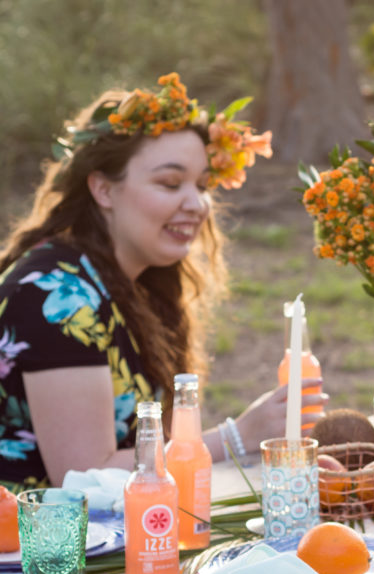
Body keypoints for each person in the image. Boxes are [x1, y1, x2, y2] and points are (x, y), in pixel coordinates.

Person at [0, 73, 327, 487]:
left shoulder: (138, 282)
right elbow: (83, 472)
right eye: (170, 183)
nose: (197, 204)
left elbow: (151, 446)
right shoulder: (52, 295)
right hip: (31, 545)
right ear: (103, 190)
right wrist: (237, 437)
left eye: (203, 185)